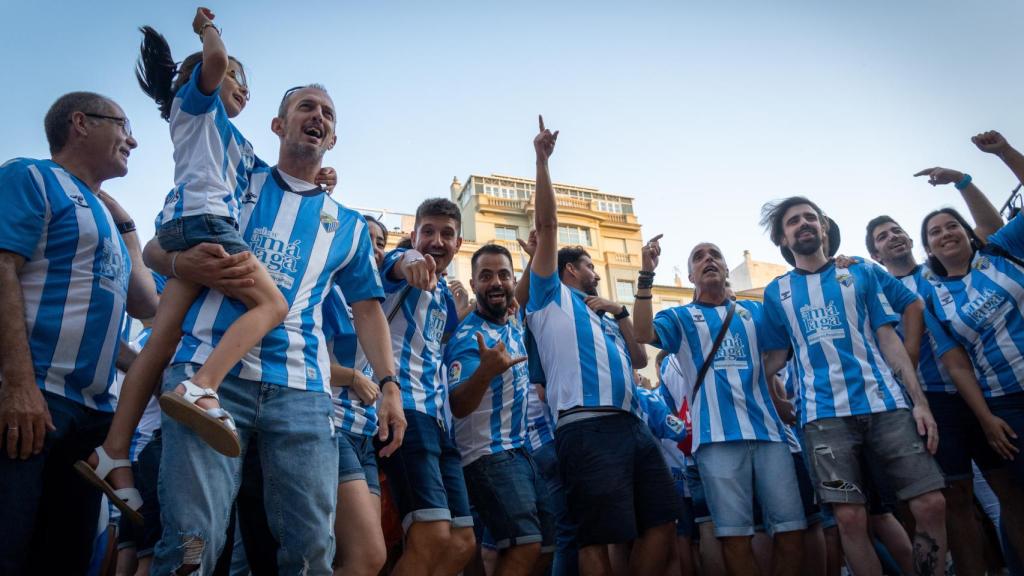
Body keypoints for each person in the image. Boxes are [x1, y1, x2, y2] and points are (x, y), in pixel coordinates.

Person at [75, 8, 340, 521]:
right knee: (273, 303)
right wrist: (207, 30)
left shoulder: (233, 142)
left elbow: (280, 176)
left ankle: (112, 454)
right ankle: (203, 387)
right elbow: (215, 62)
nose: (243, 88)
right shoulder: (195, 106)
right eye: (239, 79)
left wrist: (321, 174)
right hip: (205, 225)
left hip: (183, 229)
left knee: (160, 341)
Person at [141, 83, 401, 575]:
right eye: (306, 106)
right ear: (278, 125)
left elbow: (368, 308)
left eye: (327, 112)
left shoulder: (346, 224)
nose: (318, 115)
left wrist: (389, 384)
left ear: (333, 139)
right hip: (207, 375)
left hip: (302, 391)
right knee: (192, 543)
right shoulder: (237, 175)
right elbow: (160, 243)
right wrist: (178, 260)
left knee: (309, 550)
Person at [0, 91, 157, 574]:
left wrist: (128, 228)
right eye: (123, 125)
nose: (133, 139)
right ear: (81, 123)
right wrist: (19, 385)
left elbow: (145, 304)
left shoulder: (107, 218)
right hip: (33, 403)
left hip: (91, 419)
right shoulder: (30, 176)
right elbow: (2, 267)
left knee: (63, 559)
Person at [758, 196, 949, 576]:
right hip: (823, 420)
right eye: (793, 221)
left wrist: (919, 402)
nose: (804, 224)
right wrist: (772, 399)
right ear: (782, 236)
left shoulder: (860, 270)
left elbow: (888, 339)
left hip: (887, 406)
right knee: (849, 520)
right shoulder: (775, 292)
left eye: (811, 217)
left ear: (824, 227)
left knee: (931, 504)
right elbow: (772, 360)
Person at [525, 115, 678, 576]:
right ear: (569, 270)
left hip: (633, 427)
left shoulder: (604, 314)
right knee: (597, 536)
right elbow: (549, 226)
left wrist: (621, 310)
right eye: (589, 265)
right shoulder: (549, 298)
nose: (595, 271)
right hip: (585, 429)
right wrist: (542, 161)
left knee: (663, 522)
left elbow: (638, 357)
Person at [866, 167, 1024, 575]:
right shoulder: (874, 291)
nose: (893, 237)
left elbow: (990, 233)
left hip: (985, 393)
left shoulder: (944, 274)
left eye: (897, 229)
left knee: (1010, 489)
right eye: (882, 237)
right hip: (931, 404)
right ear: (875, 255)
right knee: (956, 500)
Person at [634, 238, 806, 576]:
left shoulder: (756, 313)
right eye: (699, 257)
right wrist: (645, 275)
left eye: (715, 255)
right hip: (715, 442)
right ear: (691, 275)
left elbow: (777, 356)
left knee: (792, 530)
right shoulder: (680, 317)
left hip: (770, 436)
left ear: (727, 269)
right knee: (734, 538)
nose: (708, 259)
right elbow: (641, 331)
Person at [378, 197, 476, 576]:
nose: (437, 240)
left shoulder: (444, 300)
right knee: (431, 534)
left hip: (440, 423)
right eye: (428, 231)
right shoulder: (395, 267)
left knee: (462, 541)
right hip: (404, 413)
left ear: (458, 244)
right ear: (413, 235)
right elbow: (395, 263)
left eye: (446, 233)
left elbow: (441, 339)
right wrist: (410, 262)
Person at [445, 243, 554, 576]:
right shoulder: (467, 337)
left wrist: (535, 256)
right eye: (486, 276)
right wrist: (485, 371)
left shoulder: (511, 319)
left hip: (520, 452)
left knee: (547, 545)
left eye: (503, 275)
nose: (496, 282)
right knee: (527, 544)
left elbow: (521, 289)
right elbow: (458, 405)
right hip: (486, 455)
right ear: (474, 284)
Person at [323, 214, 392, 576]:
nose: (375, 249)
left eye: (381, 243)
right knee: (367, 556)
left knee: (358, 557)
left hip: (364, 434)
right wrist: (350, 376)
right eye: (368, 239)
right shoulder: (325, 289)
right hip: (329, 425)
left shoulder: (374, 304)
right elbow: (295, 355)